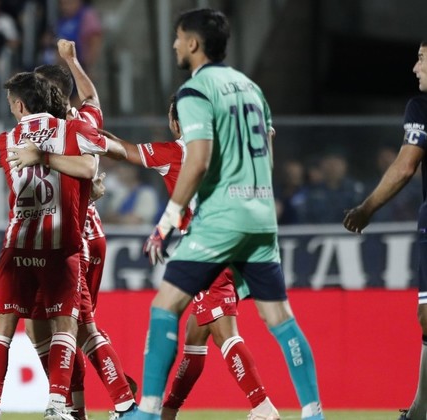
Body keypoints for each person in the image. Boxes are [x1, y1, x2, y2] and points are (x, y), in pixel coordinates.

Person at [130, 9, 324, 420]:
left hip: (222, 219)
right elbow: (267, 151)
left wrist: (166, 222)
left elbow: (197, 161)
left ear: (193, 43)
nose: (174, 45)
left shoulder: (195, 91)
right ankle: (313, 413)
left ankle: (147, 412)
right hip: (261, 214)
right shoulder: (251, 88)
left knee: (165, 305)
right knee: (279, 317)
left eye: (178, 38)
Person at [0, 71, 117, 420]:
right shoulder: (71, 130)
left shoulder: (8, 139)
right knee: (68, 327)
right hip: (60, 248)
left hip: (19, 248)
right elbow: (90, 163)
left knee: (3, 328)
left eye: (11, 104)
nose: (11, 109)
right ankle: (59, 405)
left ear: (21, 106)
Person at [101, 95, 280, 419]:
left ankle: (262, 406)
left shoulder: (175, 153)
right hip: (239, 246)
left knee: (225, 334)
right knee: (196, 337)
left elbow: (122, 150)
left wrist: (84, 135)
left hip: (207, 249)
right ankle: (169, 411)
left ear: (175, 123)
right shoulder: (226, 150)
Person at [25, 39, 137, 420]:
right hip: (89, 234)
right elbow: (91, 96)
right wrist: (72, 60)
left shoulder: (52, 131)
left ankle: (124, 403)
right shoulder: (84, 120)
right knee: (55, 328)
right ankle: (78, 408)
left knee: (78, 327)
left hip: (71, 239)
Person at [343, 40, 427, 420]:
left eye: (421, 59)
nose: (415, 68)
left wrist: (367, 208)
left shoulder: (421, 107)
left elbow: (406, 165)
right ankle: (420, 409)